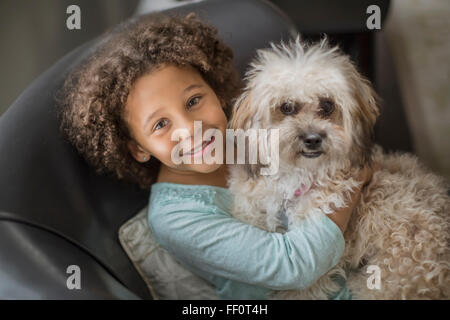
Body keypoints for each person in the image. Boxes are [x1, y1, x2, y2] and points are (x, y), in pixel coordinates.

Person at [57, 12, 372, 299]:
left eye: (193, 101)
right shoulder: (176, 218)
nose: (190, 129)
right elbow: (292, 265)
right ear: (138, 149)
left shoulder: (249, 140)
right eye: (161, 124)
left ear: (216, 91)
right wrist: (355, 177)